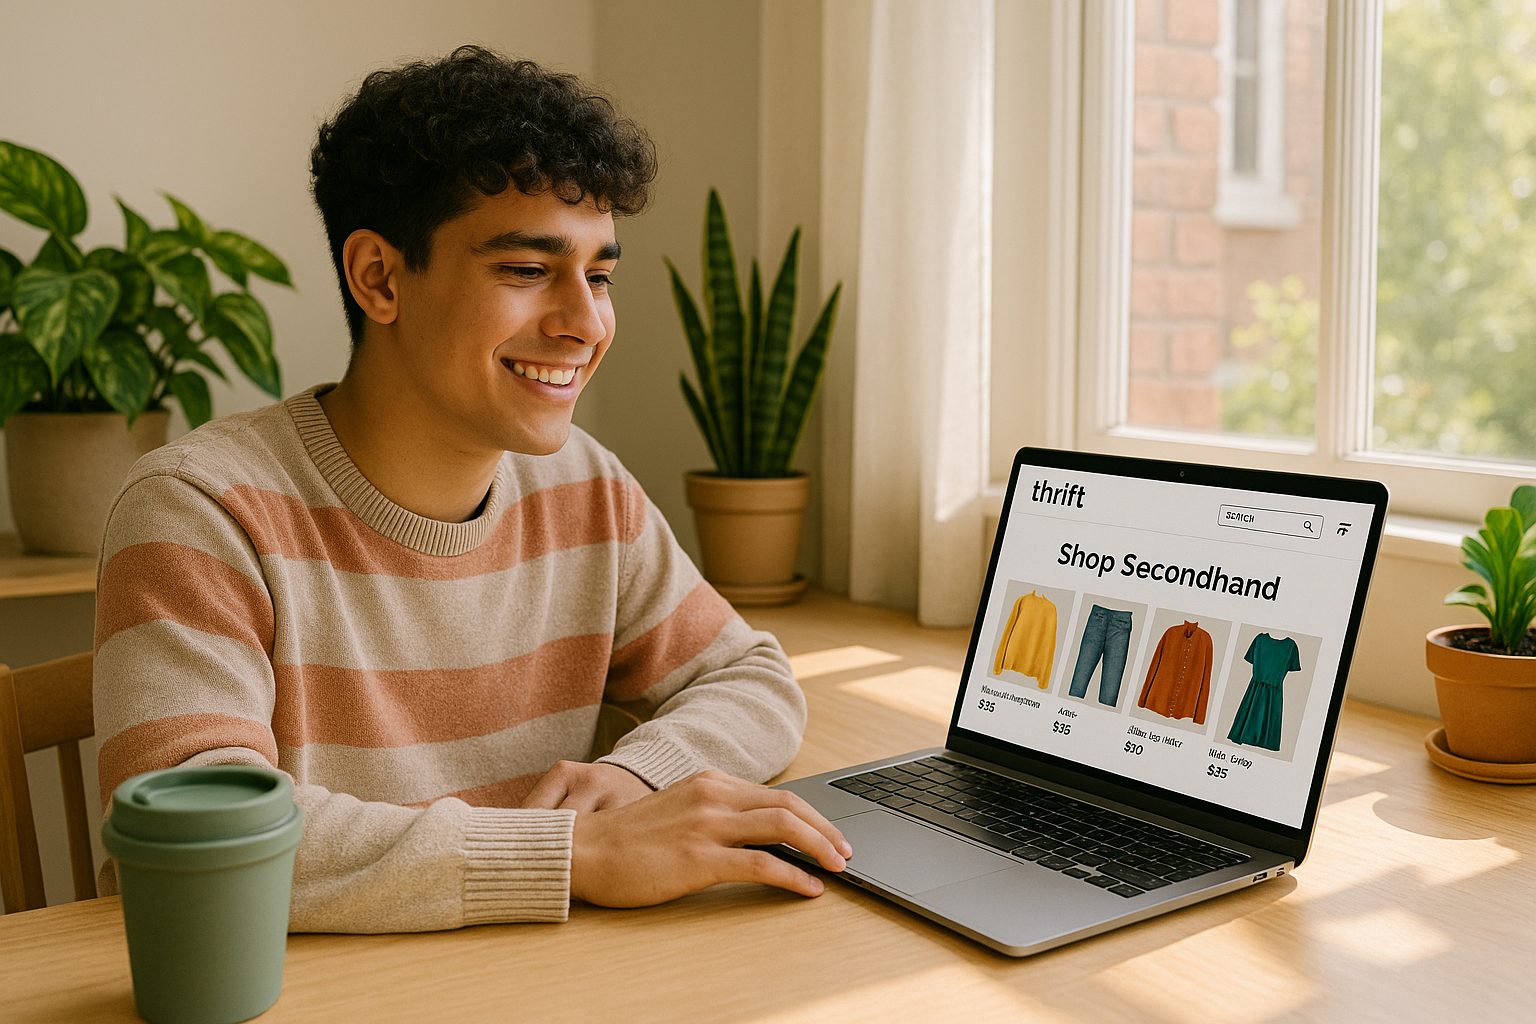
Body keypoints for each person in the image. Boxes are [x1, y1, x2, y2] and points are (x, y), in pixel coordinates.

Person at [93, 45, 851, 933]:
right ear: (379, 277)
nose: (585, 323)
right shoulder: (199, 511)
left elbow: (751, 676)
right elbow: (204, 835)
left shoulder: (585, 489)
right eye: (528, 271)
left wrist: (639, 776)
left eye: (600, 276)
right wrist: (576, 856)